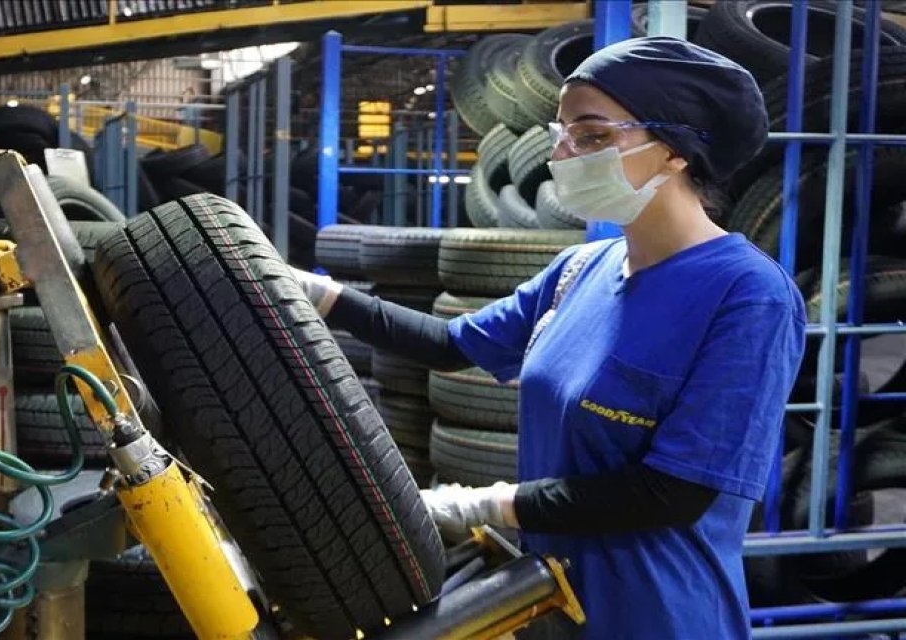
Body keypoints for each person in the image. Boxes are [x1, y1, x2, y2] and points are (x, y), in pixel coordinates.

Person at [293, 37, 807, 639]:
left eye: (590, 136)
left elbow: (672, 493)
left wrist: (481, 505)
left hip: (655, 613)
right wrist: (314, 294)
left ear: (675, 152)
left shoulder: (747, 295)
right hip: (547, 601)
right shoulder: (579, 270)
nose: (561, 154)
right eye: (560, 131)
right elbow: (451, 344)